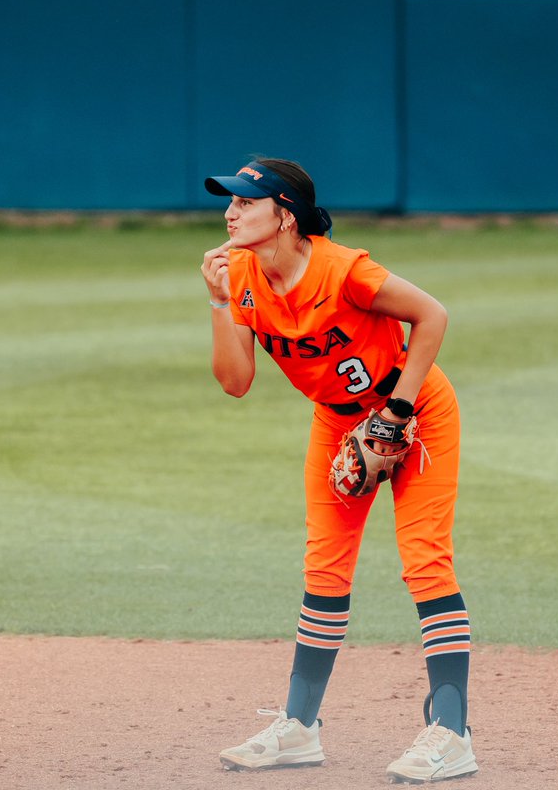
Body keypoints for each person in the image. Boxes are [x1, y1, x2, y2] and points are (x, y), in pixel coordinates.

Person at [200, 157, 476, 783]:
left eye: (246, 202)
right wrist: (219, 303)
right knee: (324, 565)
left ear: (286, 215)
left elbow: (431, 315)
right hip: (335, 423)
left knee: (425, 558)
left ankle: (453, 732)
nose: (230, 212)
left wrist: (397, 412)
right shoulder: (240, 274)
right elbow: (236, 382)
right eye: (231, 202)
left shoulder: (343, 270)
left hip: (417, 408)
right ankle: (299, 728)